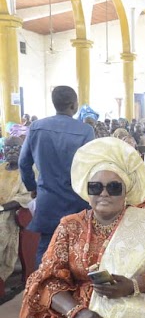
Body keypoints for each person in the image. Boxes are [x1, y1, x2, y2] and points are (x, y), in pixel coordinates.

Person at [19, 138, 145, 318]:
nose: (104, 193)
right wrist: (77, 312)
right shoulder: (70, 226)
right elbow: (46, 279)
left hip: (139, 315)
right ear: (87, 190)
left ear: (127, 190)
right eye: (95, 187)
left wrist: (133, 285)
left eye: (114, 187)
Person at [19, 86, 95, 269]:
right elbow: (93, 167)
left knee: (47, 248)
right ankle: (70, 294)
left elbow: (23, 163)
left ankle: (42, 292)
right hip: (77, 201)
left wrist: (33, 188)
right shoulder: (86, 130)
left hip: (48, 201)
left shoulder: (36, 127)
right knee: (77, 247)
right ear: (73, 105)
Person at [0, 137, 32, 283]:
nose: (11, 151)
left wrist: (2, 208)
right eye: (8, 147)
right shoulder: (1, 168)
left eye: (15, 147)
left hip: (8, 213)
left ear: (23, 150)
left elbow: (25, 196)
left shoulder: (26, 171)